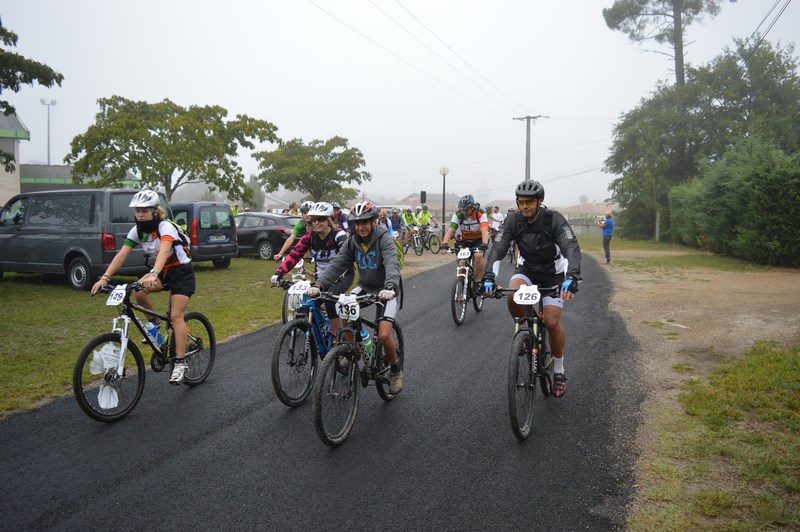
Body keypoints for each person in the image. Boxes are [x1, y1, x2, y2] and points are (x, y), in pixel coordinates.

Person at [481, 180, 581, 398]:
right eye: (521, 202)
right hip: (527, 269)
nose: (524, 206)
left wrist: (571, 276)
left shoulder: (554, 220)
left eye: (529, 202)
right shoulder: (513, 220)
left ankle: (559, 370)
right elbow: (498, 248)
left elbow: (570, 247)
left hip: (553, 273)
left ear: (539, 201)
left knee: (552, 322)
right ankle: (528, 331)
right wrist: (488, 277)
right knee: (513, 297)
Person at [90, 190, 196, 385]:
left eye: (144, 211)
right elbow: (122, 254)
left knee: (175, 316)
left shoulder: (165, 227)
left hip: (181, 273)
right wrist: (105, 278)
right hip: (161, 271)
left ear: (155, 211)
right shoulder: (137, 231)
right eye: (137, 211)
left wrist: (154, 273)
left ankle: (180, 363)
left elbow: (165, 250)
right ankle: (154, 325)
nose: (140, 214)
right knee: (138, 290)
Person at [306, 202, 404, 393]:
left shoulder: (384, 239)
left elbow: (392, 263)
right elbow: (337, 264)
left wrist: (390, 286)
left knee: (384, 335)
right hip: (365, 286)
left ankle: (395, 369)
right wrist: (319, 285)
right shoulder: (353, 241)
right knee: (343, 309)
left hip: (387, 289)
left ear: (373, 221)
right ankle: (353, 349)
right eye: (357, 223)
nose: (361, 227)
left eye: (365, 222)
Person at [271, 202, 354, 337]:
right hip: (320, 278)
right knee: (307, 302)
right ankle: (319, 331)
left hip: (342, 276)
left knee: (329, 300)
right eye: (314, 219)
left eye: (321, 219)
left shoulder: (338, 235)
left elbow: (348, 256)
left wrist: (340, 274)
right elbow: (294, 255)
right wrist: (279, 273)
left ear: (329, 220)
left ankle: (336, 337)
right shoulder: (310, 236)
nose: (316, 223)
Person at [440, 194, 490, 281]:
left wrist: (485, 243)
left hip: (478, 240)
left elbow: (484, 230)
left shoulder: (480, 214)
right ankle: (463, 283)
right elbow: (451, 230)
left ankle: (479, 280)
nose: (464, 212)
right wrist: (445, 243)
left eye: (466, 210)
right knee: (462, 262)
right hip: (464, 240)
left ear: (472, 208)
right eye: (462, 209)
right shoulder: (459, 214)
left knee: (478, 256)